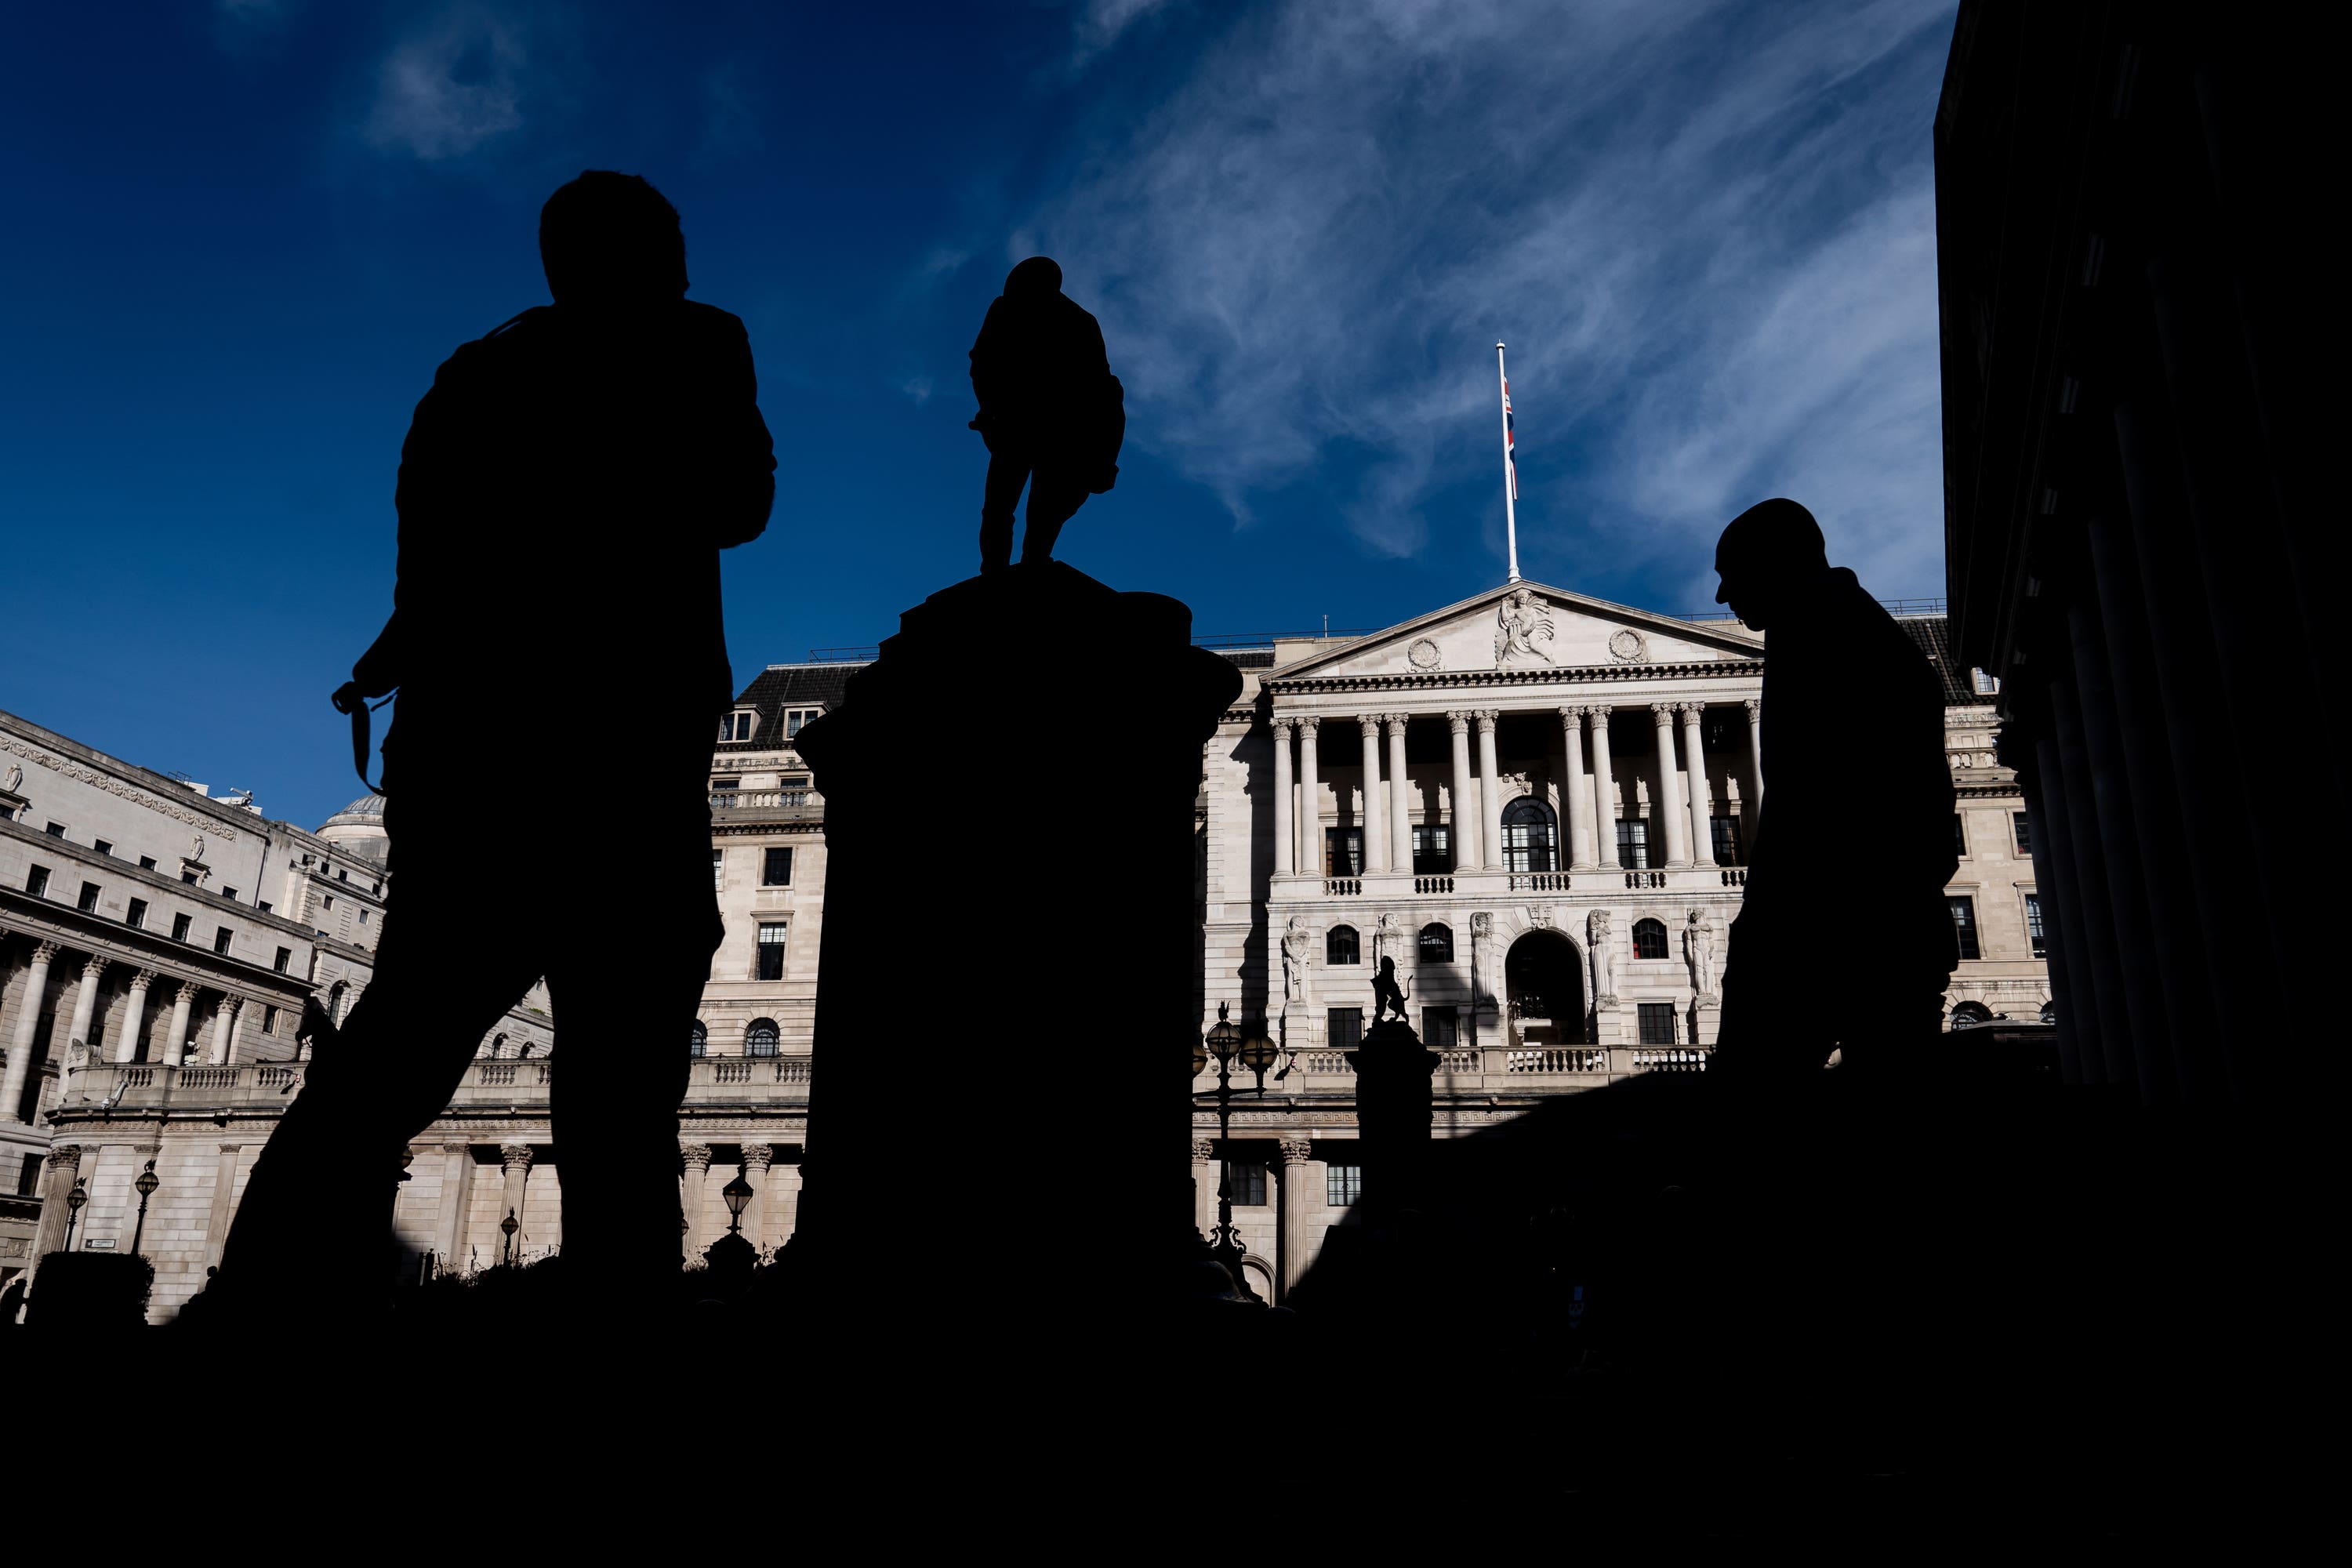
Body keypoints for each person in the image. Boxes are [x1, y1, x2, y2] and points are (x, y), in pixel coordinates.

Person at [207, 172, 775, 1319]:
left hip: (472, 751)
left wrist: (391, 659)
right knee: (620, 1062)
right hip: (616, 750)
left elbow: (429, 572)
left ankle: (251, 1296)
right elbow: (740, 502)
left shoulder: (472, 375)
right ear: (627, 256)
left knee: (401, 1044)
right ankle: (620, 1299)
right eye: (666, 244)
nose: (681, 266)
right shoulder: (697, 341)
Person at [1708, 498, 1956, 1083]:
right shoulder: (1840, 627)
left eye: (1731, 573)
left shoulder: (1828, 633)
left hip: (1829, 925)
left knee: (1753, 1102)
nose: (1723, 597)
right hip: (1880, 921)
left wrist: (1764, 924)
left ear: (1776, 562)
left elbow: (1808, 799)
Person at [967, 256, 1123, 572]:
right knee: (999, 507)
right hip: (1015, 424)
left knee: (1043, 508)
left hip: (1060, 430)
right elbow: (981, 362)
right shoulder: (1004, 309)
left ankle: (1032, 566)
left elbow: (1103, 388)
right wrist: (988, 410)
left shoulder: (1080, 322)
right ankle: (995, 573)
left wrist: (1104, 455)